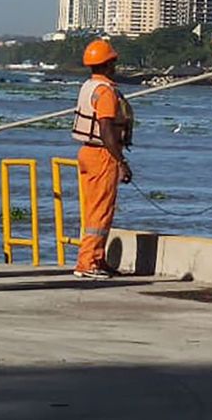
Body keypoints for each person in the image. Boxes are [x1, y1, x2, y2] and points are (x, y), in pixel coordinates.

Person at [72, 38, 135, 280]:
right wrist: (121, 161)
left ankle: (96, 258)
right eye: (113, 62)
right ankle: (87, 262)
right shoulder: (106, 92)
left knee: (92, 210)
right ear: (108, 64)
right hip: (101, 155)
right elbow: (106, 130)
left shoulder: (89, 86)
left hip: (87, 153)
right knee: (100, 212)